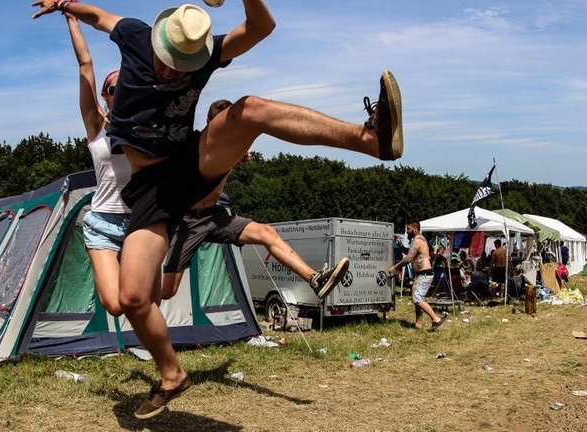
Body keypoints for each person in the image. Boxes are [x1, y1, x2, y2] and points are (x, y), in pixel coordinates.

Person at [33, 0, 403, 419]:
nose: (173, 71)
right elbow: (99, 19)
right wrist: (66, 5)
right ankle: (172, 375)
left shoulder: (204, 55)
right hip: (149, 190)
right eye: (168, 61)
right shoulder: (135, 35)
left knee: (251, 110)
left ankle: (369, 140)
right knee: (133, 298)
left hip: (188, 161)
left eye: (182, 65)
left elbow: (261, 26)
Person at [161, 99, 350, 301]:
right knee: (168, 291)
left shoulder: (234, 145)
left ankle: (315, 279)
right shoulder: (197, 145)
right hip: (188, 220)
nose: (226, 132)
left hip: (215, 216)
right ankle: (133, 293)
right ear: (209, 122)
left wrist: (241, 155)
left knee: (267, 233)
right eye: (220, 125)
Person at [65, 12, 131, 317]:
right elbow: (85, 65)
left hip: (143, 222)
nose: (123, 92)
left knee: (140, 299)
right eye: (115, 89)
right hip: (103, 221)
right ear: (106, 96)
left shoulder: (147, 128)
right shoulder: (97, 126)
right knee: (114, 304)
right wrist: (72, 17)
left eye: (128, 87)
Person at [389, 219, 444, 331]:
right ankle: (418, 323)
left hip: (424, 274)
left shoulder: (417, 240)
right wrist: (400, 246)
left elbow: (408, 258)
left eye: (408, 229)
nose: (407, 231)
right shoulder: (418, 239)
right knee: (418, 299)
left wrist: (396, 267)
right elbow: (411, 253)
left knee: (417, 299)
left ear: (414, 228)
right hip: (422, 274)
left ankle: (435, 319)